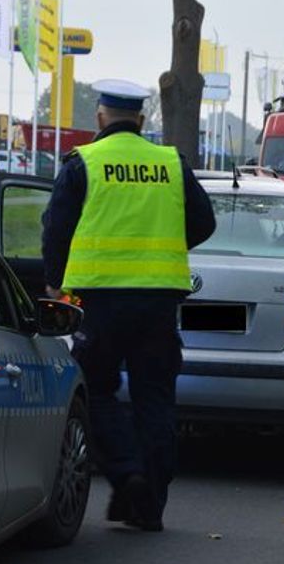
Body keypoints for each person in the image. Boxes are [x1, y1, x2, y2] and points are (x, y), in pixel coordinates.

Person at [41, 79, 216, 532]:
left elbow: (55, 230)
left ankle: (126, 471)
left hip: (98, 301)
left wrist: (57, 284)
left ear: (100, 117)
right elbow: (204, 222)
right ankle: (151, 505)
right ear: (141, 120)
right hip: (159, 301)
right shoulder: (170, 163)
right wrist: (161, 249)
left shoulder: (84, 163)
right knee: (155, 399)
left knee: (95, 390)